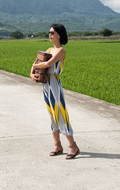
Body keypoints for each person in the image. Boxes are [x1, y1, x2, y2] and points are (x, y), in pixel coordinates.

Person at [30, 24, 80, 159]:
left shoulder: (60, 51)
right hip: (45, 84)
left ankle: (73, 146)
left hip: (54, 84)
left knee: (61, 113)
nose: (50, 34)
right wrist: (32, 73)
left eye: (52, 32)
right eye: (49, 32)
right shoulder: (49, 49)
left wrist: (35, 66)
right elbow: (37, 62)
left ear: (59, 34)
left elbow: (46, 64)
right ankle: (57, 145)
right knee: (52, 114)